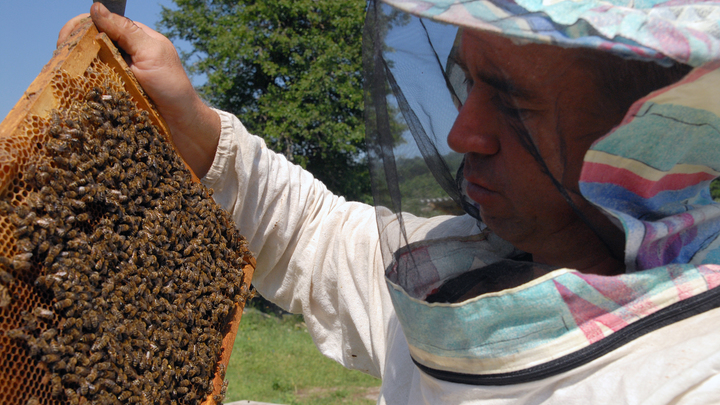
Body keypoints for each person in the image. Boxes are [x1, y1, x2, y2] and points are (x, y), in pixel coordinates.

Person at [59, 0, 720, 403]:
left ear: (653, 132)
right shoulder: (463, 268)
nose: (463, 132)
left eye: (514, 102)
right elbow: (319, 237)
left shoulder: (690, 381)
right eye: (465, 80)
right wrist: (200, 132)